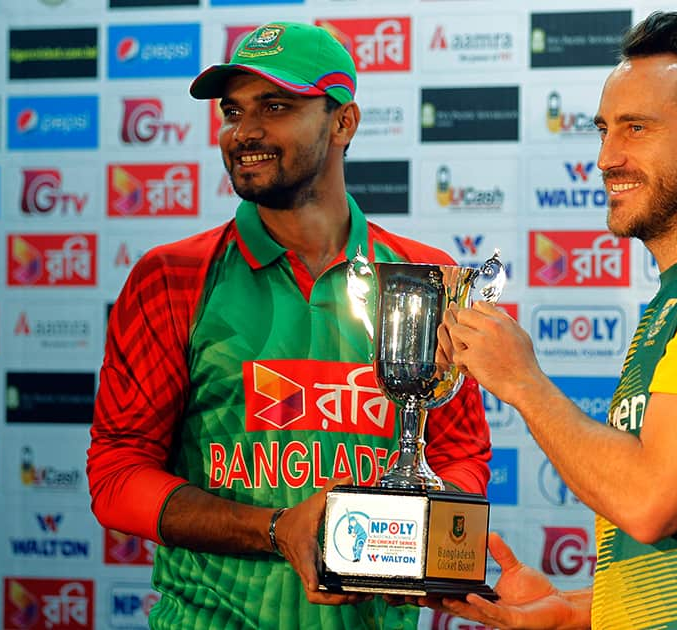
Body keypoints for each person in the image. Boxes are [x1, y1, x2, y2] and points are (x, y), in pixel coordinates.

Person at [432, 11, 677, 629]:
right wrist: (565, 613)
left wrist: (522, 382)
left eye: (636, 129)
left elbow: (649, 504)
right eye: (603, 131)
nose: (606, 157)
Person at [86, 21, 491, 630]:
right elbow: (117, 475)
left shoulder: (424, 277)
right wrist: (276, 531)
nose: (244, 132)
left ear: (343, 123)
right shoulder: (170, 277)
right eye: (233, 111)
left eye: (275, 107)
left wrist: (423, 538)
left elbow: (459, 456)